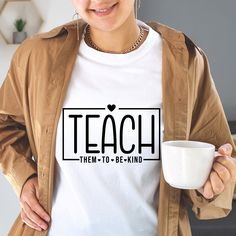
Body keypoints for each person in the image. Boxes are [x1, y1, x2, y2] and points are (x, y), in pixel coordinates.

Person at [0, 0, 236, 235]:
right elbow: (4, 124)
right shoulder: (36, 57)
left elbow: (216, 156)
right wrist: (24, 178)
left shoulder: (185, 61)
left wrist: (216, 180)